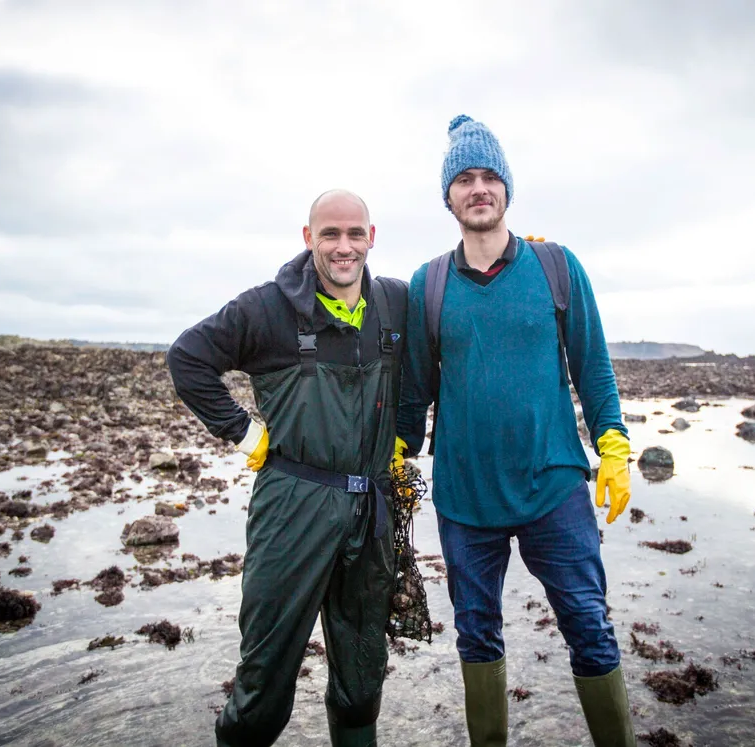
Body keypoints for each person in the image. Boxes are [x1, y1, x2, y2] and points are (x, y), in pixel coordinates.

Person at [397, 115, 636, 747]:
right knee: (476, 632)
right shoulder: (430, 284)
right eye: (465, 179)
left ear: (507, 189)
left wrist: (613, 444)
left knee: (588, 623)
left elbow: (593, 366)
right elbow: (415, 390)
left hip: (553, 484)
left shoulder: (556, 266)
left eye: (490, 177)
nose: (479, 188)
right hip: (465, 495)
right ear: (447, 196)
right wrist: (397, 454)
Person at [166, 189, 408, 747]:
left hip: (370, 511)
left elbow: (458, 300)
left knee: (362, 677)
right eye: (330, 234)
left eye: (354, 234)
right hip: (292, 507)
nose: (343, 247)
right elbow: (188, 358)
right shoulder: (267, 309)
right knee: (266, 678)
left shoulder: (396, 303)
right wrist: (243, 430)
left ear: (372, 238)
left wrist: (514, 254)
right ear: (308, 239)